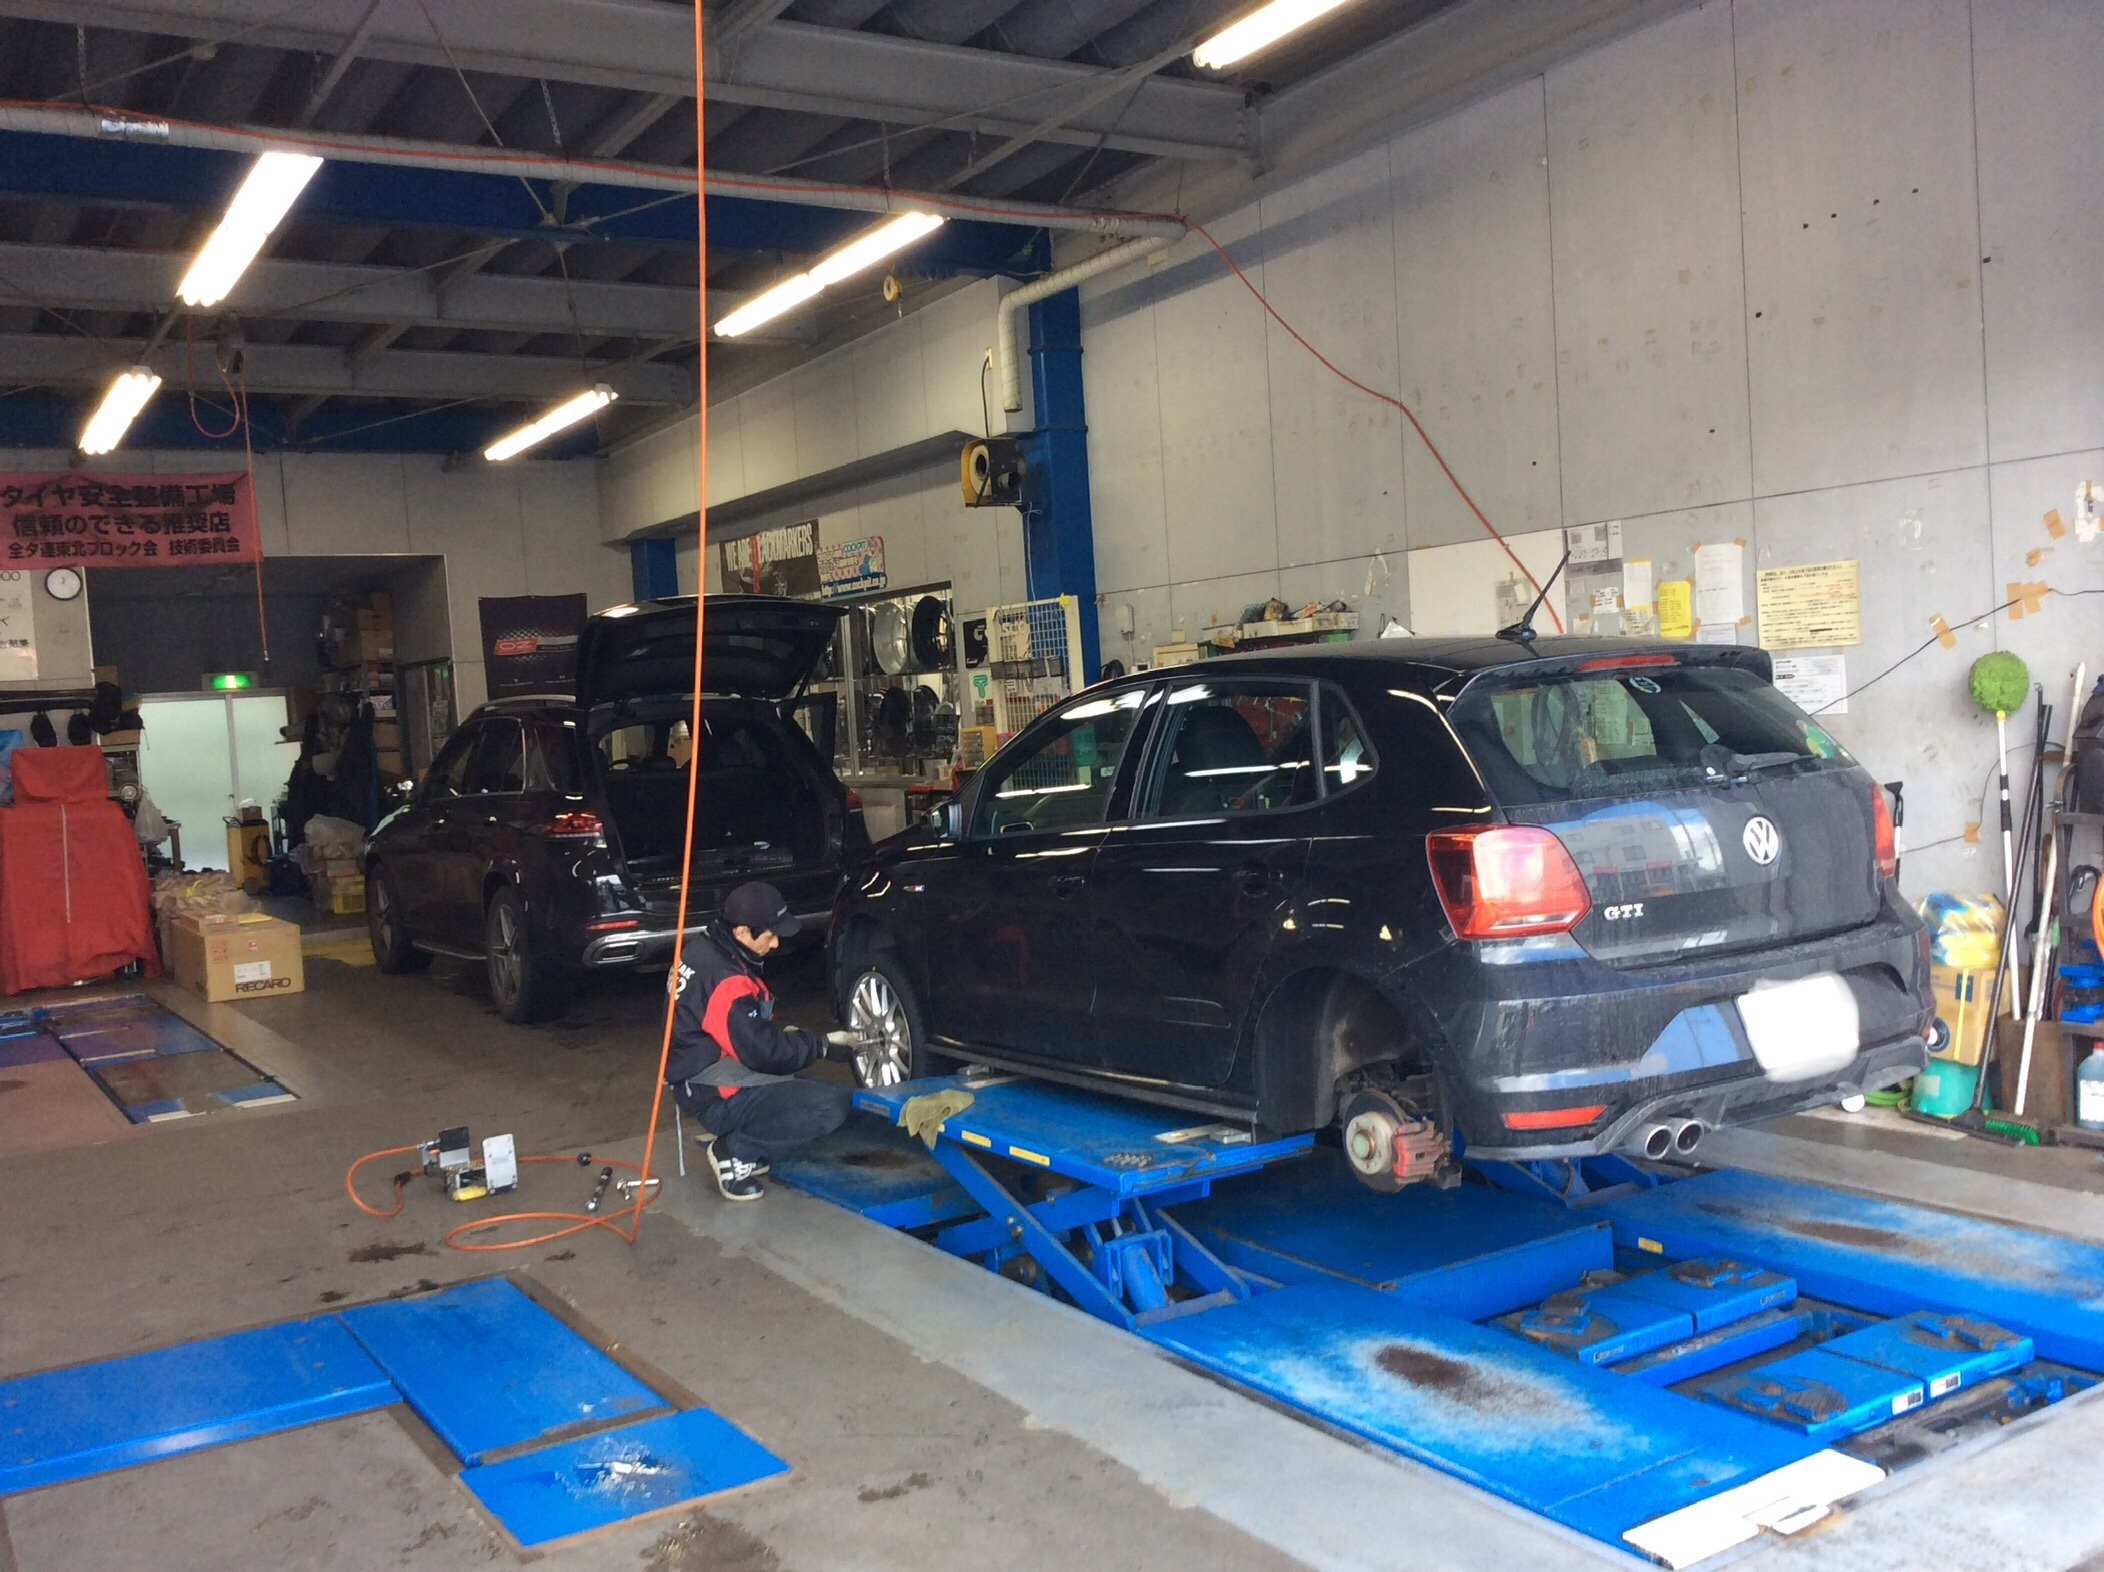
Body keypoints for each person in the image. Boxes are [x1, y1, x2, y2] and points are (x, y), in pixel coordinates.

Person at [666, 881, 853, 1201]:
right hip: (715, 1095)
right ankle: (733, 1150)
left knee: (798, 1082)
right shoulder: (727, 981)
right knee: (829, 1104)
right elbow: (765, 1053)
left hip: (701, 1078)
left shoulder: (705, 949)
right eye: (770, 935)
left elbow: (745, 1035)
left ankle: (744, 1138)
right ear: (742, 932)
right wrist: (820, 1045)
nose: (776, 943)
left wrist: (795, 1041)